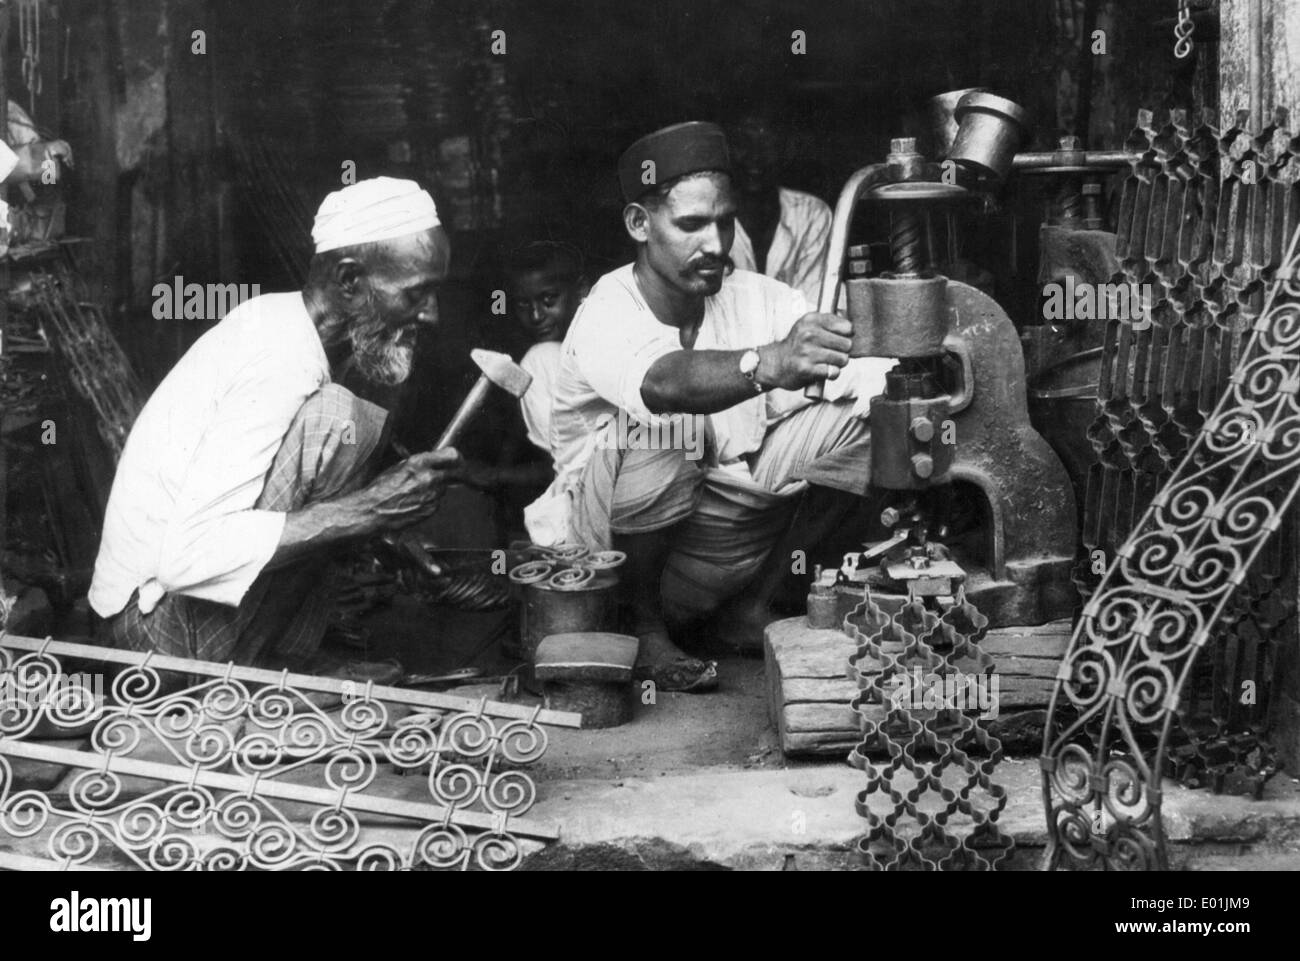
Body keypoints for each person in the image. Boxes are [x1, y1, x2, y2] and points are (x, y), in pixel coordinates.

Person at [526, 122, 891, 692]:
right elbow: (665, 382)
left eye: (725, 222)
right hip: (613, 554)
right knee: (672, 425)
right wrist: (769, 362)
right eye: (692, 225)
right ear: (639, 225)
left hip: (729, 534)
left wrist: (871, 361)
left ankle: (753, 609)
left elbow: (844, 364)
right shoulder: (606, 307)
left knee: (876, 413)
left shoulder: (757, 295)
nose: (716, 245)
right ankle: (644, 631)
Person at [89, 177, 462, 680]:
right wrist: (367, 511)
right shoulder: (277, 355)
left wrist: (379, 532)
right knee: (336, 418)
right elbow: (188, 556)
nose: (431, 314)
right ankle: (260, 666)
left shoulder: (290, 331)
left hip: (172, 621)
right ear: (350, 281)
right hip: (155, 642)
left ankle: (279, 656)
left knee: (353, 423)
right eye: (417, 293)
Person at [728, 112, 833, 306]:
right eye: (743, 143)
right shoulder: (705, 219)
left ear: (787, 150)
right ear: (726, 149)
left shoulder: (810, 214)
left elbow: (813, 307)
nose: (754, 156)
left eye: (767, 144)